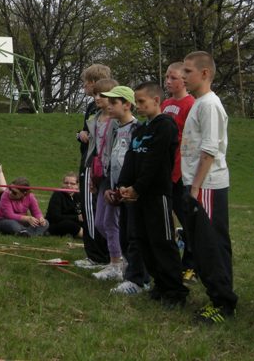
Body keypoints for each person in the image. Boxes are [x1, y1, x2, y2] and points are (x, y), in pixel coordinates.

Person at [118, 82, 188, 309]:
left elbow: (155, 161)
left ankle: (175, 290)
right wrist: (123, 185)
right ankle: (160, 284)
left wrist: (138, 187)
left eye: (141, 102)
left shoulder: (165, 126)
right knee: (143, 240)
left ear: (156, 101)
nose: (137, 106)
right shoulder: (139, 130)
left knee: (162, 242)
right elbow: (131, 158)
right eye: (136, 102)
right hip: (137, 196)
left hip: (157, 194)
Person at [180, 51, 238, 324]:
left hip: (207, 186)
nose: (183, 76)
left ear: (205, 73)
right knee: (203, 245)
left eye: (188, 71)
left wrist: (195, 188)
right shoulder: (199, 103)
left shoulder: (210, 105)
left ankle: (223, 303)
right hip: (197, 185)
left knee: (211, 245)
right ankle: (219, 295)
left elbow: (210, 150)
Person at [92, 85, 138, 282]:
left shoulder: (136, 129)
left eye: (114, 102)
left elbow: (133, 161)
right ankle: (118, 262)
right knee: (102, 223)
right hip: (111, 183)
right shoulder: (117, 127)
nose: (109, 106)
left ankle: (121, 264)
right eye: (108, 102)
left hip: (128, 188)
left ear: (127, 105)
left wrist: (127, 186)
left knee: (117, 226)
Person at [74, 65, 115, 269]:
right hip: (92, 161)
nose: (84, 87)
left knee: (91, 209)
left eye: (86, 83)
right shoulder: (92, 108)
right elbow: (86, 132)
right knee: (95, 211)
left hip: (96, 164)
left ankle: (98, 255)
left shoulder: (106, 110)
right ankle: (101, 252)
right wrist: (81, 135)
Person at [160, 61, 195, 280]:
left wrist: (177, 172)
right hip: (164, 169)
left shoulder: (191, 104)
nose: (168, 81)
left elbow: (188, 142)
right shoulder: (165, 104)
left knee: (188, 219)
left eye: (173, 78)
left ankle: (191, 264)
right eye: (167, 77)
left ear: (185, 80)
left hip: (181, 172)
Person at [45, 172, 82, 238]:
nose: (69, 185)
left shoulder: (79, 195)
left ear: (77, 185)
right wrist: (77, 217)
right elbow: (55, 217)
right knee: (68, 224)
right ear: (62, 184)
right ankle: (87, 236)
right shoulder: (57, 195)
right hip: (55, 224)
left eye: (72, 184)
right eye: (66, 183)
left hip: (74, 222)